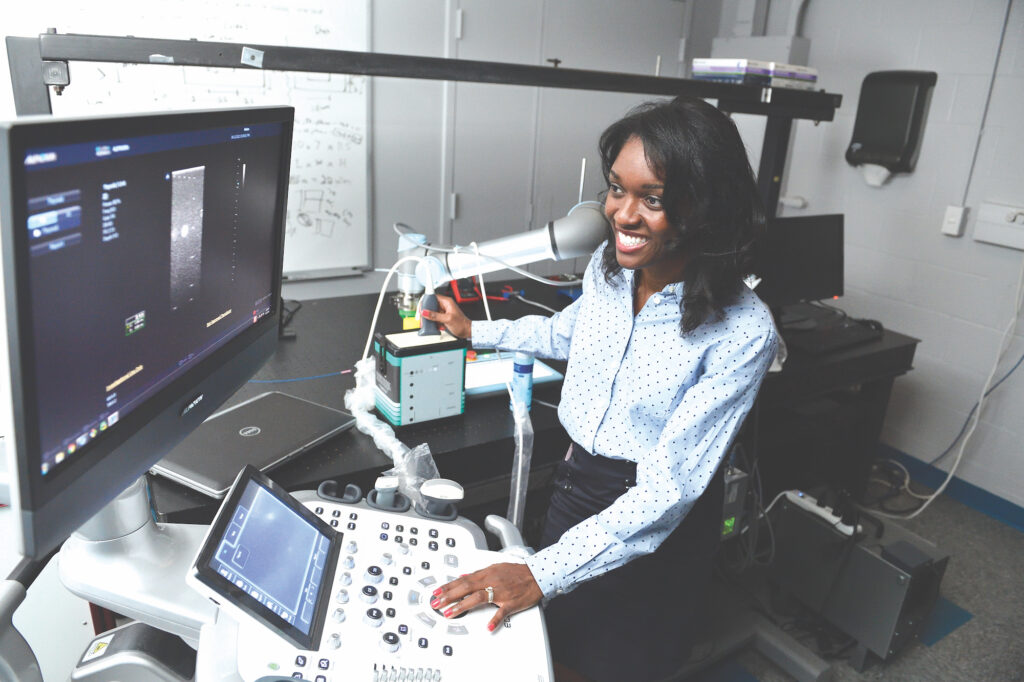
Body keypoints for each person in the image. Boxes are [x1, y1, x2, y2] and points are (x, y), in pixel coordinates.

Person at [422, 96, 778, 682]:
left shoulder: (743, 329)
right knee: (550, 650)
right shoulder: (609, 270)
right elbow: (569, 333)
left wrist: (541, 572)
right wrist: (476, 331)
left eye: (653, 198)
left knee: (616, 665)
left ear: (705, 209)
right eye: (617, 188)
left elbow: (670, 488)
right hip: (577, 484)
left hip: (654, 514)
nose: (623, 214)